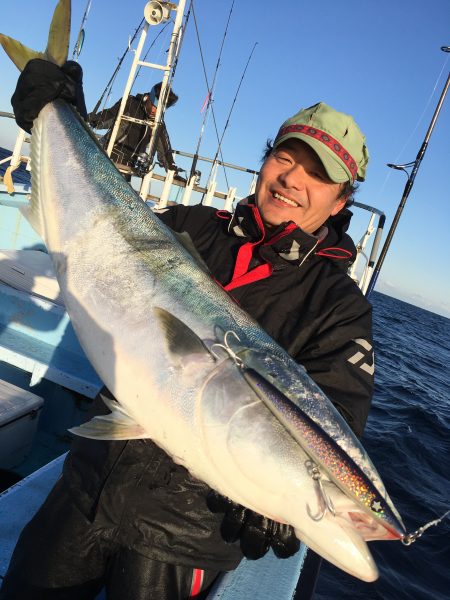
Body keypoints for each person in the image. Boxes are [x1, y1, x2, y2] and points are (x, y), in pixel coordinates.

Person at [1, 60, 374, 600]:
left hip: (187, 538)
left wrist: (281, 505)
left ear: (341, 202)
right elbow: (98, 223)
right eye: (285, 158)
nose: (293, 179)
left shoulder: (338, 306)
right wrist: (58, 123)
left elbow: (333, 419)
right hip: (88, 487)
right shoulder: (193, 225)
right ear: (266, 162)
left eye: (317, 176)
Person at [88, 81, 179, 176]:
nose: (153, 110)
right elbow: (108, 116)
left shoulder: (158, 124)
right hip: (106, 154)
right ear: (147, 98)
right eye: (152, 105)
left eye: (158, 108)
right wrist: (94, 120)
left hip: (129, 166)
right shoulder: (130, 102)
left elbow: (165, 150)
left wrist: (173, 172)